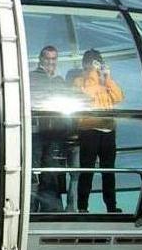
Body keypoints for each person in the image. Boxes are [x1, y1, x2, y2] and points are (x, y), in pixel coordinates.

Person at [72, 49, 125, 213]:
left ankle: (111, 206)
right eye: (93, 62)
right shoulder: (80, 81)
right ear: (86, 64)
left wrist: (107, 78)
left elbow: (118, 97)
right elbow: (86, 94)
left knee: (108, 170)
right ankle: (82, 207)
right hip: (89, 129)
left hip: (108, 130)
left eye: (98, 62)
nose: (97, 66)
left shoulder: (105, 82)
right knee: (87, 169)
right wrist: (93, 75)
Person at [29, 46, 71, 213]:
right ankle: (31, 208)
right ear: (41, 59)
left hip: (55, 133)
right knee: (33, 170)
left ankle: (50, 209)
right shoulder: (33, 78)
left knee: (50, 172)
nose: (51, 62)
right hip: (36, 132)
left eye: (54, 59)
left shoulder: (59, 81)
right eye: (48, 58)